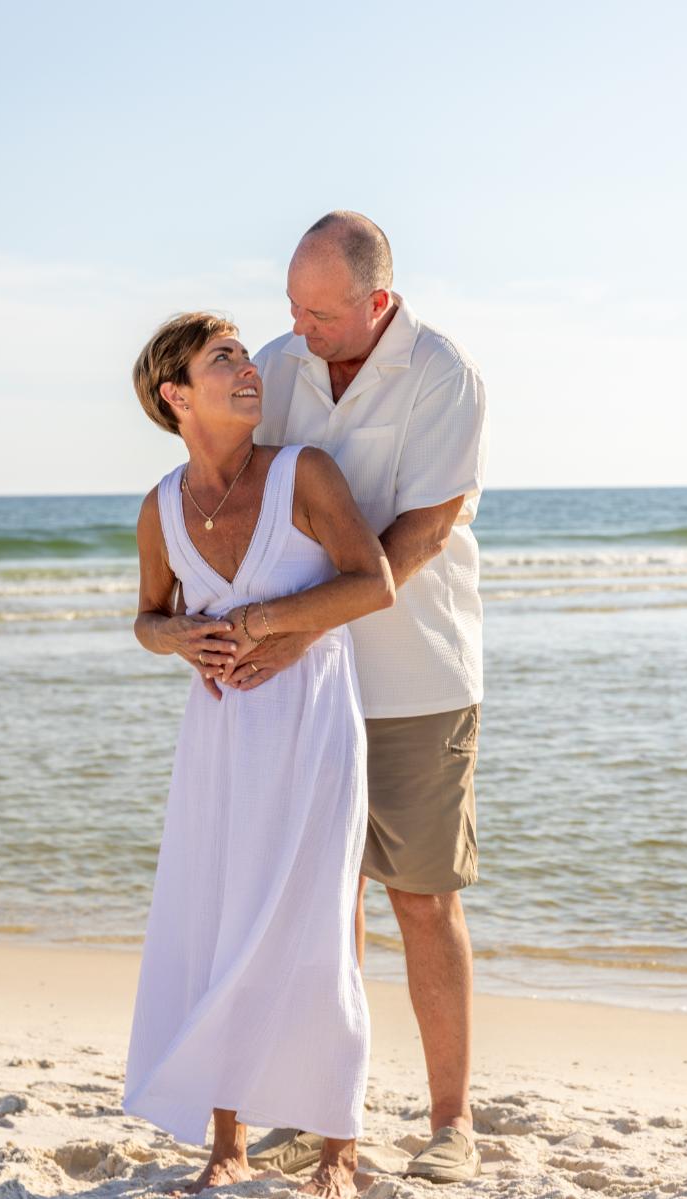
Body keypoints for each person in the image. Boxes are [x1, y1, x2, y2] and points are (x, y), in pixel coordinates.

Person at [228, 212, 488, 1184]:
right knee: (322, 900)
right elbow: (237, 484)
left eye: (323, 312)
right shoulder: (280, 361)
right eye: (291, 306)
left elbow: (420, 533)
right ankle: (319, 1108)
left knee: (421, 899)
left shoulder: (440, 374)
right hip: (304, 677)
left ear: (377, 301)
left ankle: (450, 1120)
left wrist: (295, 621)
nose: (300, 329)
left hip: (417, 675)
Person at [121, 311, 395, 1199]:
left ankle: (338, 1155)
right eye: (224, 360)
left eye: (245, 355)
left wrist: (263, 622)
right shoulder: (160, 507)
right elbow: (148, 618)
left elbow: (374, 582)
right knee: (219, 923)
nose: (250, 370)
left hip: (312, 725)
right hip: (221, 739)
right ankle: (228, 1146)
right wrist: (181, 640)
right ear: (177, 394)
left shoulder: (303, 474)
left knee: (320, 929)